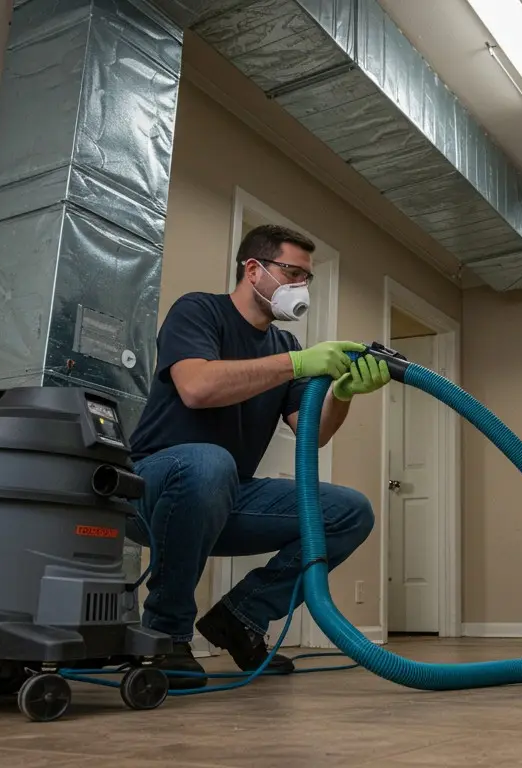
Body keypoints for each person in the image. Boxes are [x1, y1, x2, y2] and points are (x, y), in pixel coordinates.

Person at [127, 224, 388, 687]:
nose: (301, 287)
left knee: (350, 512)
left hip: (227, 494)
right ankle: (164, 633)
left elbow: (313, 434)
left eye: (307, 278)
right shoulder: (199, 311)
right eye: (292, 272)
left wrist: (344, 393)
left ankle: (242, 616)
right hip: (152, 486)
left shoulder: (284, 345)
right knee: (209, 462)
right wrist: (298, 365)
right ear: (254, 270)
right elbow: (197, 387)